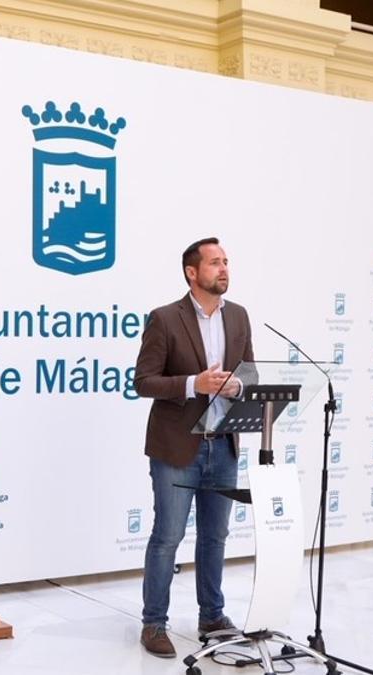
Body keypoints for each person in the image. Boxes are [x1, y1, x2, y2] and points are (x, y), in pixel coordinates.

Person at [133, 237, 254, 658]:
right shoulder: (165, 319)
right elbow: (143, 381)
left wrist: (238, 384)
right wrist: (193, 384)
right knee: (167, 537)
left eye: (226, 262)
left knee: (215, 537)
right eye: (215, 263)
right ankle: (153, 623)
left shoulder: (238, 317)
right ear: (192, 272)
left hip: (223, 445)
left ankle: (212, 616)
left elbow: (250, 374)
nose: (224, 269)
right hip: (176, 449)